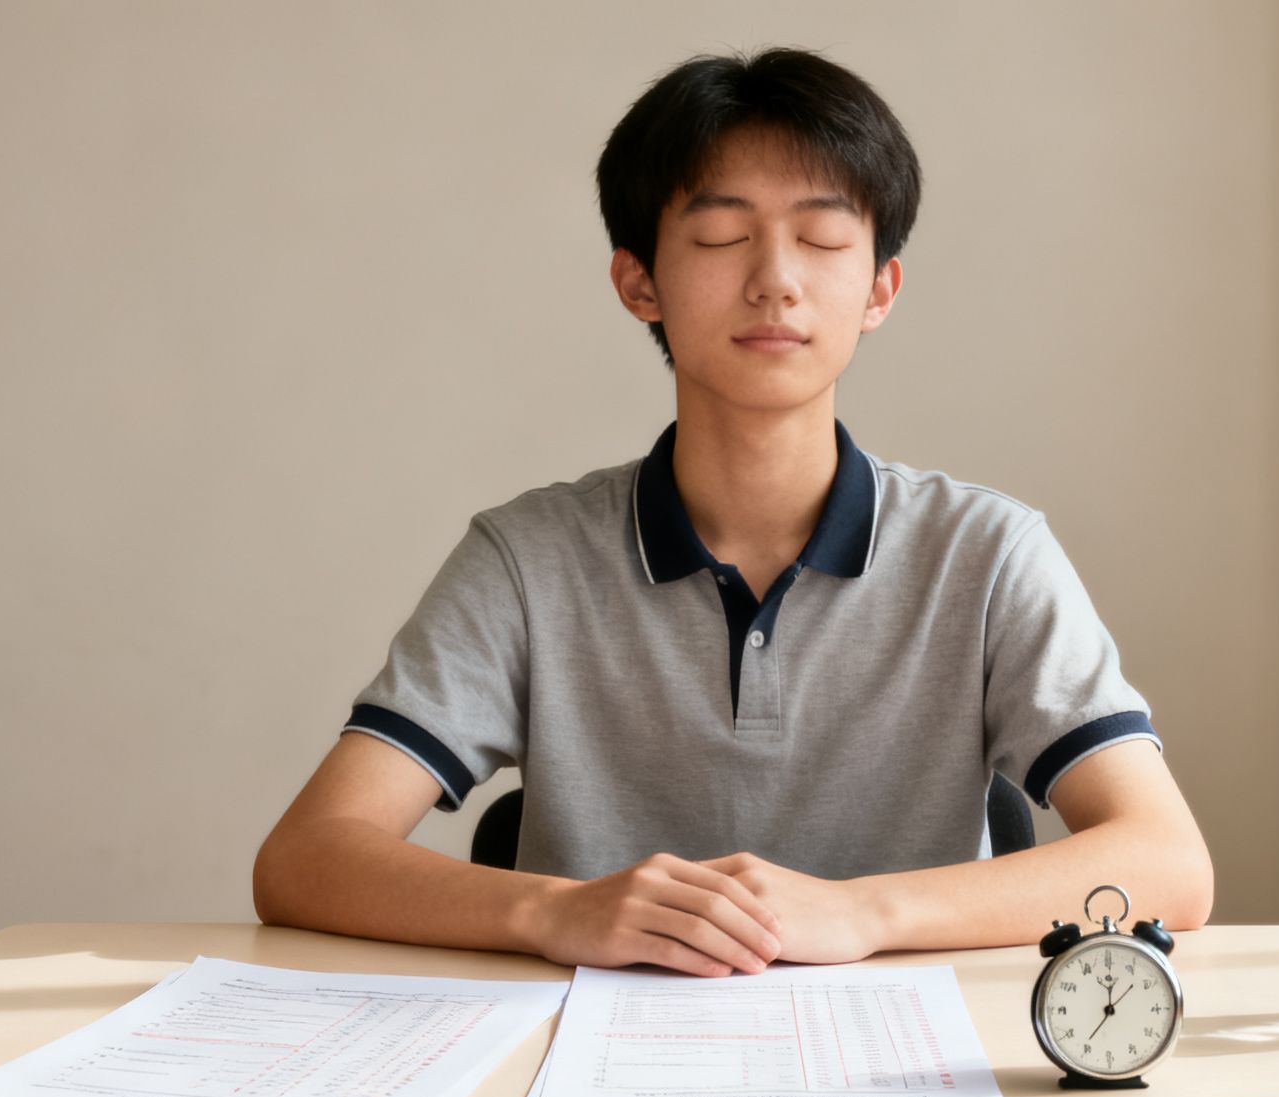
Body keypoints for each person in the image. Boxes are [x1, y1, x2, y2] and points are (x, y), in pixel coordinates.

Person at [253, 46, 1213, 979]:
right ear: (640, 283)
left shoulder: (989, 554)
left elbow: (1170, 863)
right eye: (720, 237)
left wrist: (863, 911)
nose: (776, 280)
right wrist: (553, 909)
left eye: (824, 238)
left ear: (880, 287)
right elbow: (307, 856)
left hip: (913, 1089)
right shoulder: (527, 559)